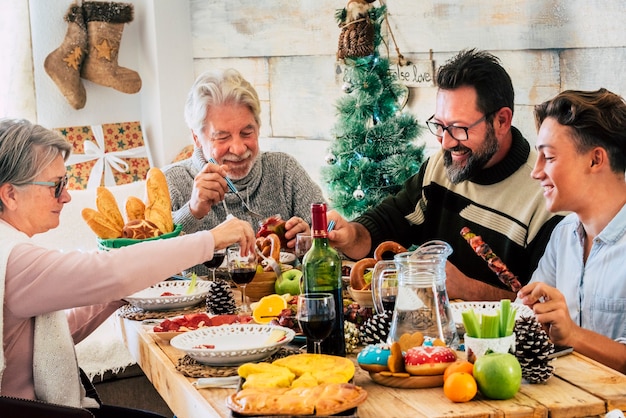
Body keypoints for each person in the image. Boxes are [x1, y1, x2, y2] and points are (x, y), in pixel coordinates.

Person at [0, 118, 255, 416]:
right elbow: (112, 270)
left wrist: (119, 293)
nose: (66, 196)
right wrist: (210, 239)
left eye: (65, 184)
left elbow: (42, 342)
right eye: (57, 186)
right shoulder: (13, 261)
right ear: (10, 194)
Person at [328, 49, 563, 301]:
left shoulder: (548, 197)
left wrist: (468, 289)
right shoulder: (441, 166)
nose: (446, 142)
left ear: (502, 121)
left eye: (459, 128)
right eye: (440, 126)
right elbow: (388, 224)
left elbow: (546, 310)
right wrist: (350, 235)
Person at [163, 68, 325, 275]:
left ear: (258, 127)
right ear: (196, 138)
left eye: (247, 133)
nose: (239, 149)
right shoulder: (172, 182)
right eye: (222, 137)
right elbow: (148, 265)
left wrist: (308, 241)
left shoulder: (284, 170)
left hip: (279, 305)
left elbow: (336, 249)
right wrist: (192, 211)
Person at [517, 88, 626, 373]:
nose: (536, 171)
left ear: (595, 160)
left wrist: (573, 335)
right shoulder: (563, 234)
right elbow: (534, 323)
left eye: (549, 158)